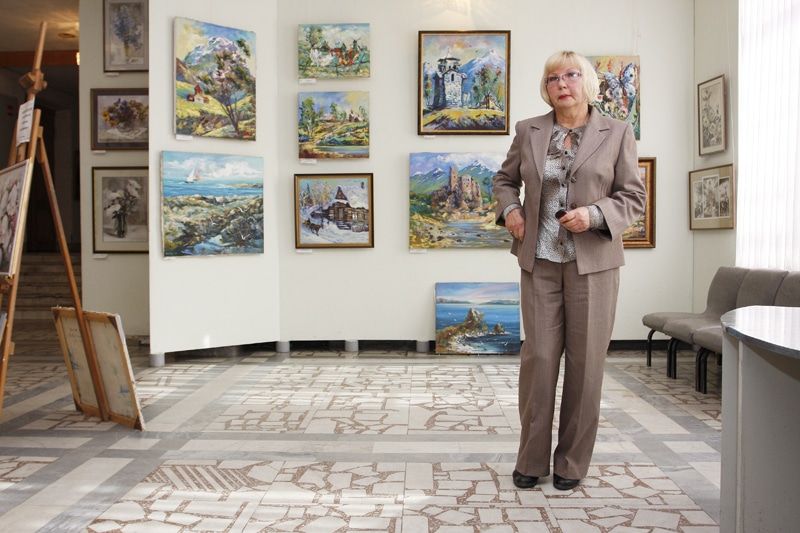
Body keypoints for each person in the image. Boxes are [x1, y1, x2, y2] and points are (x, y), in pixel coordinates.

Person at [492, 50, 646, 491]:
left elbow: (633, 197)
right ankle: (531, 459)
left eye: (571, 75)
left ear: (588, 82)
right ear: (546, 87)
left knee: (586, 365)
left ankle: (571, 463)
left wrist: (594, 215)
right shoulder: (529, 130)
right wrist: (511, 210)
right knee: (538, 361)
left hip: (593, 267)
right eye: (553, 77)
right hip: (540, 261)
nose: (562, 83)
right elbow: (504, 180)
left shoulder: (618, 132)